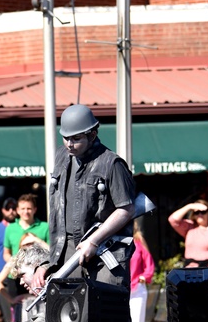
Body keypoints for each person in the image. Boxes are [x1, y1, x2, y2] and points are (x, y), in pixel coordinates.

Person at [31, 104, 136, 292]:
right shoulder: (61, 156)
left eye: (76, 138)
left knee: (107, 312)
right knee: (71, 315)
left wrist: (94, 241)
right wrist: (50, 261)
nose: (69, 144)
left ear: (92, 134)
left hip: (106, 251)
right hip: (69, 250)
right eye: (66, 138)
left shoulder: (112, 163)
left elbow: (126, 209)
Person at [168, 199, 208, 277]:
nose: (200, 214)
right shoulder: (189, 227)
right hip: (191, 272)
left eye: (203, 212)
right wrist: (189, 206)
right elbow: (173, 220)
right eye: (196, 212)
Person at [2, 193, 49, 266]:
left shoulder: (45, 227)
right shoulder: (10, 228)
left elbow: (51, 251)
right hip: (15, 273)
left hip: (36, 273)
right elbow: (6, 253)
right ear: (17, 210)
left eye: (29, 208)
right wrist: (14, 262)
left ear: (35, 210)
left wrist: (36, 240)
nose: (26, 212)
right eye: (23, 209)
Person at [129, 222, 155, 322]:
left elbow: (149, 262)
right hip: (121, 287)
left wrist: (145, 276)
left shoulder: (138, 242)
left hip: (137, 286)